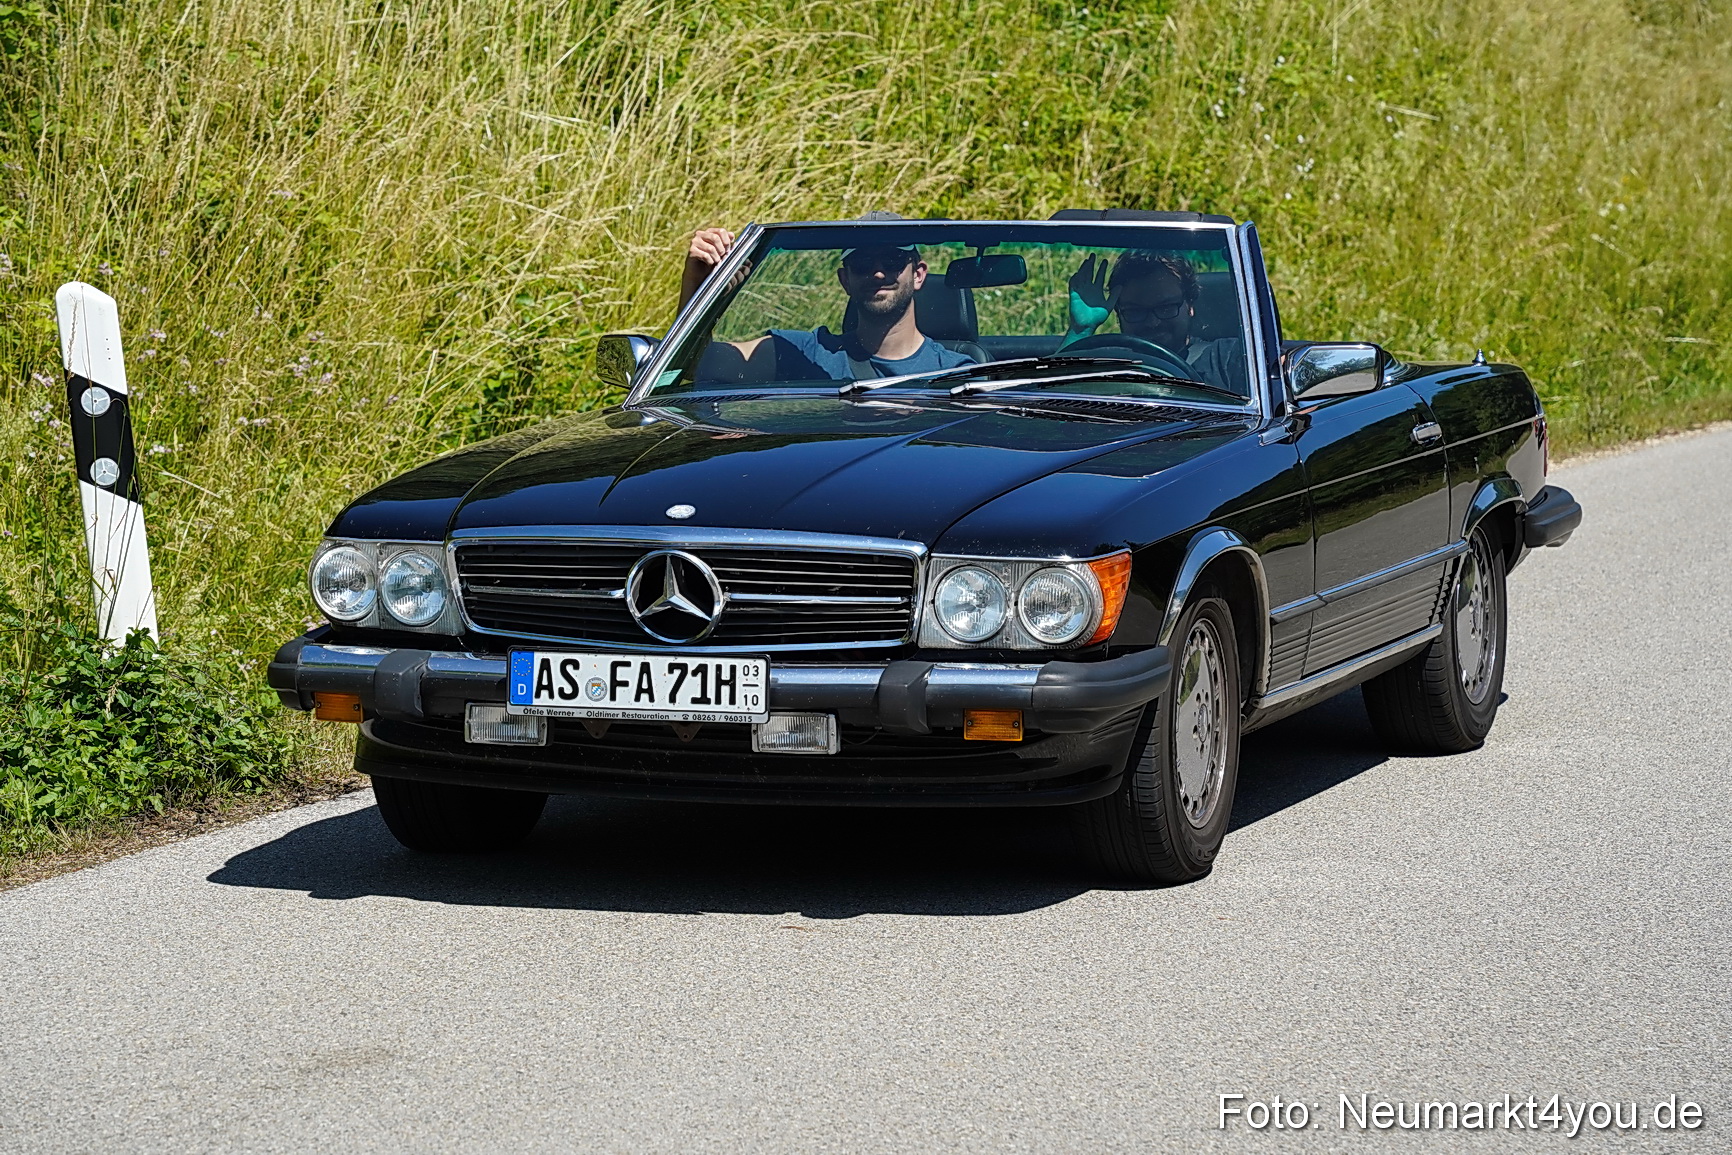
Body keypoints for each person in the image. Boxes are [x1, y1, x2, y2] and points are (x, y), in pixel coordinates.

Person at [679, 226, 977, 381]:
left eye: (892, 260)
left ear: (919, 275)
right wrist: (698, 287)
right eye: (862, 263)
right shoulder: (805, 353)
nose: (877, 272)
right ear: (844, 279)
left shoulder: (957, 375)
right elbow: (696, 367)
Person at [1057, 250, 1249, 396]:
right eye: (1135, 311)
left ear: (1190, 305)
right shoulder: (1108, 363)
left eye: (1166, 308)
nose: (1152, 322)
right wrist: (1080, 330)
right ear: (1118, 314)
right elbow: (1054, 400)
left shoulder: (1230, 357)